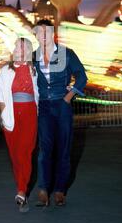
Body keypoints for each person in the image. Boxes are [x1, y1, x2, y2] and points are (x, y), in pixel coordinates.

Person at [33, 19, 88, 206]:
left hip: (61, 104)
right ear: (35, 35)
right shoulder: (33, 56)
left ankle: (59, 190)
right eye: (39, 32)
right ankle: (42, 189)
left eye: (46, 32)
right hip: (44, 106)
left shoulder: (66, 53)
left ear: (53, 33)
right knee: (45, 149)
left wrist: (68, 96)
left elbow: (82, 75)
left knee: (63, 149)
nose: (43, 36)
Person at [0, 38, 39, 212]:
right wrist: (3, 110)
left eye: (21, 47)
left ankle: (21, 190)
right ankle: (22, 186)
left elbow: (41, 91)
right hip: (11, 115)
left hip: (29, 114)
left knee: (25, 152)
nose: (17, 50)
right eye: (16, 47)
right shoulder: (5, 70)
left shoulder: (35, 69)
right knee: (14, 155)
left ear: (27, 50)